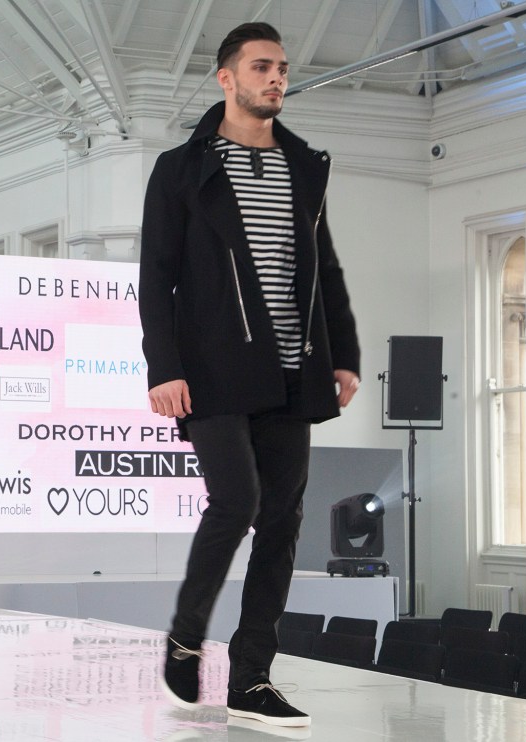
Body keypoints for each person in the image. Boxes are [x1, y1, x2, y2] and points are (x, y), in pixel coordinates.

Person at [139, 23, 361, 728]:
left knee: (283, 521)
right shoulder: (182, 168)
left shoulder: (304, 167)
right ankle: (185, 636)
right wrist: (163, 367)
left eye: (283, 69)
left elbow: (325, 268)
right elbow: (156, 277)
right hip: (212, 367)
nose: (276, 79)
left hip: (292, 368)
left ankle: (252, 678)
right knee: (236, 501)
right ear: (226, 78)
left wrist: (344, 353)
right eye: (262, 67)